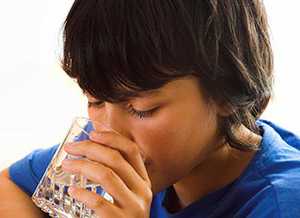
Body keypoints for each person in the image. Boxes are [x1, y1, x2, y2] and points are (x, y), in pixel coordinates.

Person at [1, 0, 300, 217]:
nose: (107, 132)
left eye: (142, 109)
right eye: (95, 100)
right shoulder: (116, 142)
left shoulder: (282, 204)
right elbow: (9, 185)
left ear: (226, 90)